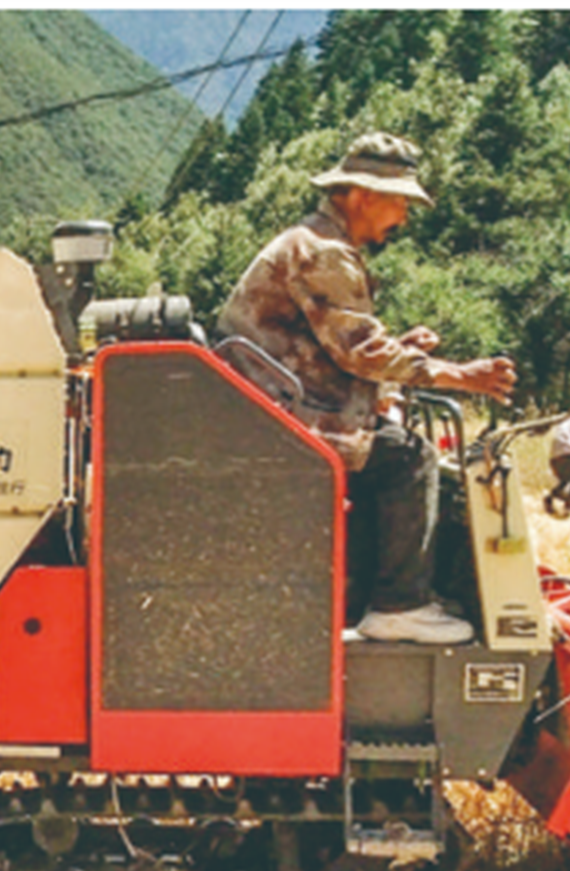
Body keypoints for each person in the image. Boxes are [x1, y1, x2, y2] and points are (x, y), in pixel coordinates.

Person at [217, 132, 518, 645]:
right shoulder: (324, 253)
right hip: (282, 420)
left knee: (397, 451)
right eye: (399, 203)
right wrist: (461, 375)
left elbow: (330, 348)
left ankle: (384, 594)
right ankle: (400, 604)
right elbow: (361, 352)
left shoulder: (314, 244)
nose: (402, 218)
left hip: (270, 409)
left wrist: (402, 351)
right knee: (410, 459)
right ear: (363, 196)